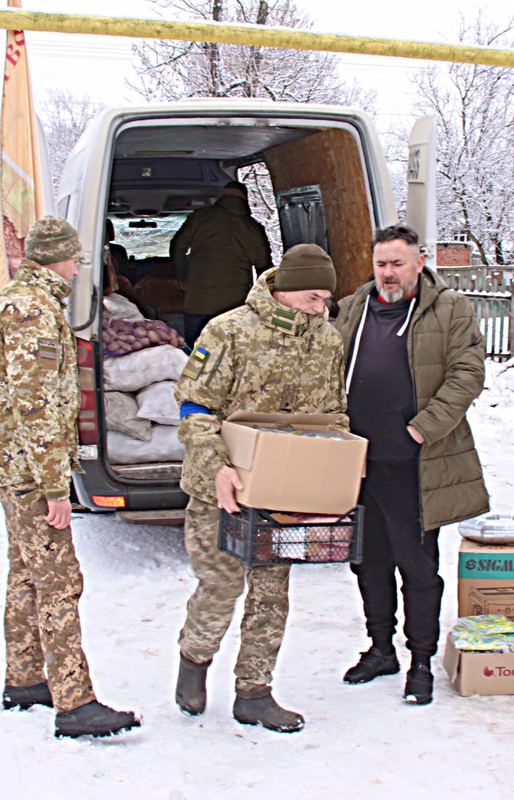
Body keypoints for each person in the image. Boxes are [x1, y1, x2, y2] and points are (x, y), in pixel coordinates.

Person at [0, 215, 140, 739]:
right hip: (28, 472)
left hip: (12, 466)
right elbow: (37, 406)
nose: (78, 267)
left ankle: (25, 678)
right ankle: (74, 701)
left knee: (26, 570)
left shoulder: (15, 301)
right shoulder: (33, 312)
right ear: (60, 259)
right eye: (75, 257)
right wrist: (54, 488)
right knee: (60, 581)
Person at [173, 243, 344, 733]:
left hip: (283, 491)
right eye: (313, 297)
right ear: (286, 290)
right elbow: (194, 408)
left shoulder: (327, 341)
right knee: (221, 584)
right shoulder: (228, 332)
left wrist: (328, 478)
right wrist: (217, 467)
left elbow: (333, 417)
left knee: (272, 593)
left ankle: (254, 692)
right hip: (221, 487)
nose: (320, 308)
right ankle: (195, 658)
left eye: (325, 299)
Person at [335, 225, 489, 705]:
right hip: (357, 461)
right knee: (367, 560)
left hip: (415, 461)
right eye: (381, 263)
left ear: (419, 262)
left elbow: (468, 372)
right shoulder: (354, 307)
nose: (388, 273)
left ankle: (420, 660)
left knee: (418, 566)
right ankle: (381, 648)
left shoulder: (449, 309)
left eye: (397, 263)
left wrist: (421, 429)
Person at [170, 180, 273, 348]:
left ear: (220, 196)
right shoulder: (253, 228)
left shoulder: (200, 217)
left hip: (198, 302)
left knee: (197, 354)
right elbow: (264, 270)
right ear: (245, 200)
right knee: (230, 354)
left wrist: (182, 277)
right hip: (235, 306)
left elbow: (177, 247)